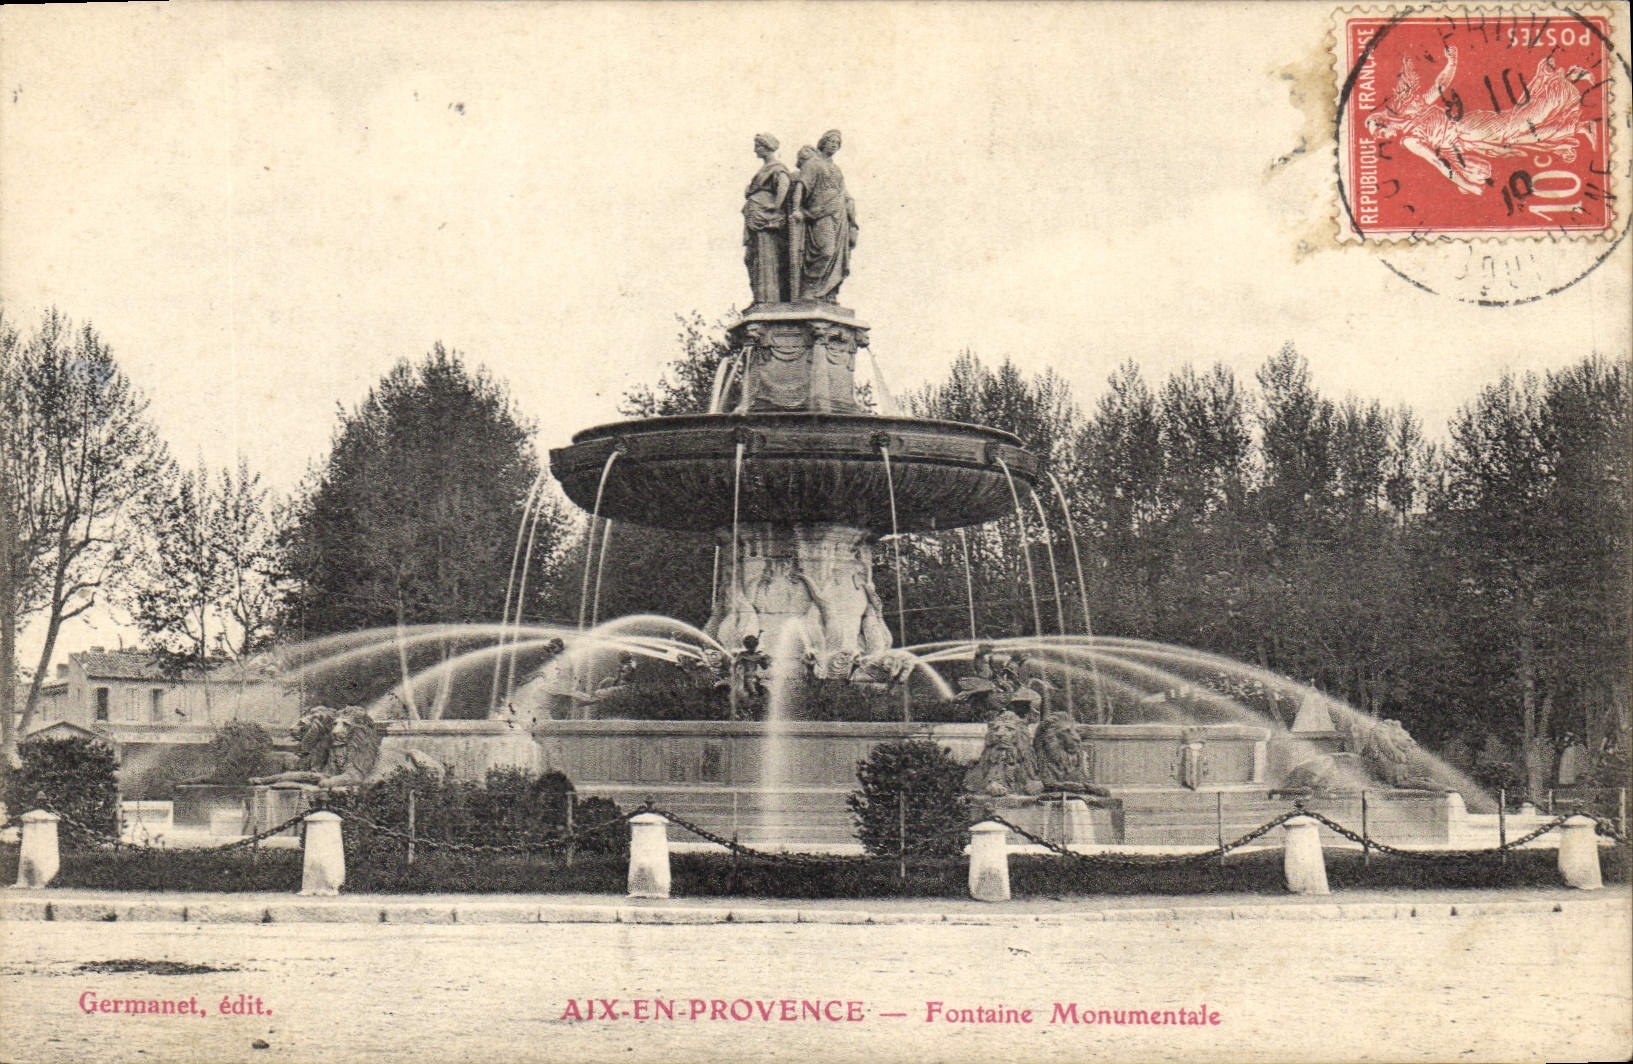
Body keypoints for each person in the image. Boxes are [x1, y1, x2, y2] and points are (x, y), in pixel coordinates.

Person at [791, 130, 857, 302]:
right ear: (823, 142)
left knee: (838, 255)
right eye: (831, 141)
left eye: (837, 143)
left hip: (839, 214)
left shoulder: (836, 169)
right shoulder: (813, 163)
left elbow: (844, 191)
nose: (834, 145)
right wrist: (796, 209)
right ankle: (810, 288)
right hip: (820, 213)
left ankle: (828, 292)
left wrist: (850, 208)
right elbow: (801, 186)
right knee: (826, 251)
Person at [742, 133, 791, 303]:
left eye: (758, 146)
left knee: (766, 253)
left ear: (767, 147)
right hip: (756, 217)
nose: (755, 150)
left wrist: (775, 206)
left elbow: (784, 184)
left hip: (766, 218)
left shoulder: (776, 167)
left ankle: (768, 299)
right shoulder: (764, 169)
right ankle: (760, 296)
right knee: (752, 257)